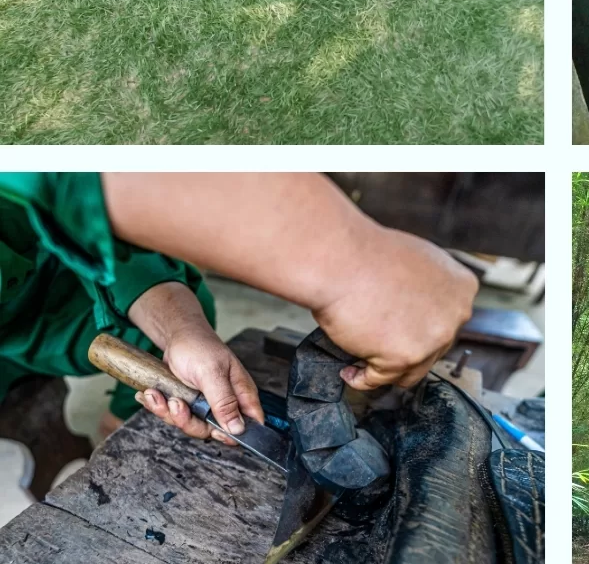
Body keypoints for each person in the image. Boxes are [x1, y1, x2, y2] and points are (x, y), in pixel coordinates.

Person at [0, 174, 478, 464]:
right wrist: (357, 267)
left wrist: (358, 263)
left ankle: (114, 433)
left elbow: (69, 174)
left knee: (189, 319)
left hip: (63, 276)